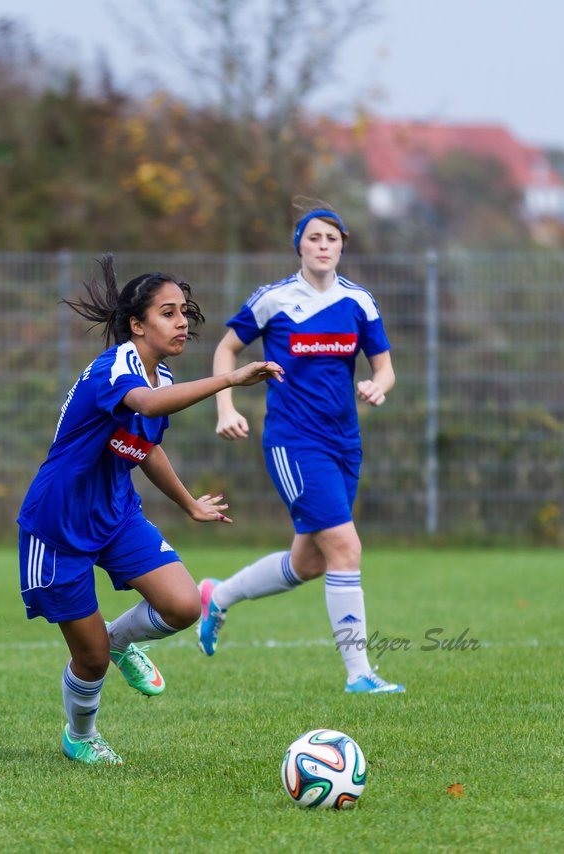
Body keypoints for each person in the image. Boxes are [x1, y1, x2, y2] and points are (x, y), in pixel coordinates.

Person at [18, 254, 283, 765]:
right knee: (89, 659)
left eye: (184, 311)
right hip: (58, 524)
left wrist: (188, 504)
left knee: (184, 606)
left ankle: (119, 641)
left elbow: (145, 446)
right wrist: (228, 380)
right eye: (168, 312)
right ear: (137, 325)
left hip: (116, 514)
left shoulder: (160, 376)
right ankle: (81, 735)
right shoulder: (116, 369)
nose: (182, 321)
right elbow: (148, 407)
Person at [196, 204, 405, 694]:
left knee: (310, 563)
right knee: (346, 548)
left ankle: (217, 596)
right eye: (314, 237)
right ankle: (360, 675)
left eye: (332, 238)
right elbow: (227, 349)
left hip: (344, 443)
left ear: (342, 246)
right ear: (300, 245)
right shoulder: (273, 300)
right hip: (293, 442)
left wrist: (380, 385)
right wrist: (225, 408)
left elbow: (386, 366)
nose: (324, 245)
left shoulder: (360, 302)